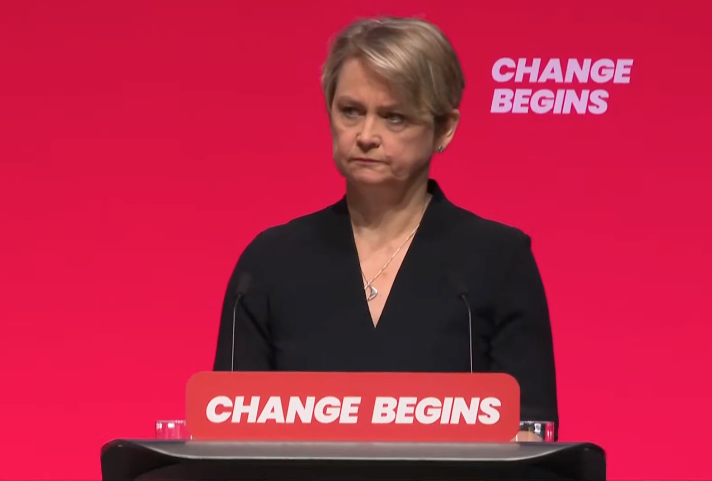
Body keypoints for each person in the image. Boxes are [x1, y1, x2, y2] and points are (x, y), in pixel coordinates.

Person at [212, 16, 559, 442]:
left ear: (444, 129)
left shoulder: (498, 259)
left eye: (394, 117)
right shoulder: (269, 262)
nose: (366, 135)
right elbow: (224, 439)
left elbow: (532, 434)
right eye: (351, 111)